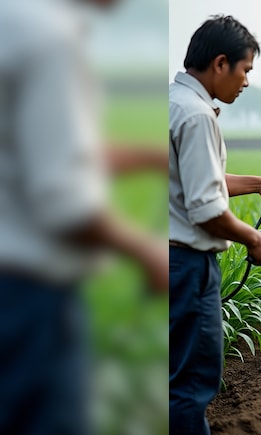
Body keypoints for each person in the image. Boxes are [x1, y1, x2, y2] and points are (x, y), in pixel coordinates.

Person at [0, 1, 168, 434]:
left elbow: (45, 154)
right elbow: (63, 196)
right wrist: (145, 252)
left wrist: (151, 157)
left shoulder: (13, 21)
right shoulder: (49, 38)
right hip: (28, 299)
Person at [169, 15, 261, 434]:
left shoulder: (172, 105)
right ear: (220, 64)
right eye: (245, 70)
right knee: (189, 387)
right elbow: (205, 209)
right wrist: (254, 238)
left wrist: (259, 183)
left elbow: (195, 182)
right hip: (186, 268)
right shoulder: (197, 116)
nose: (246, 82)